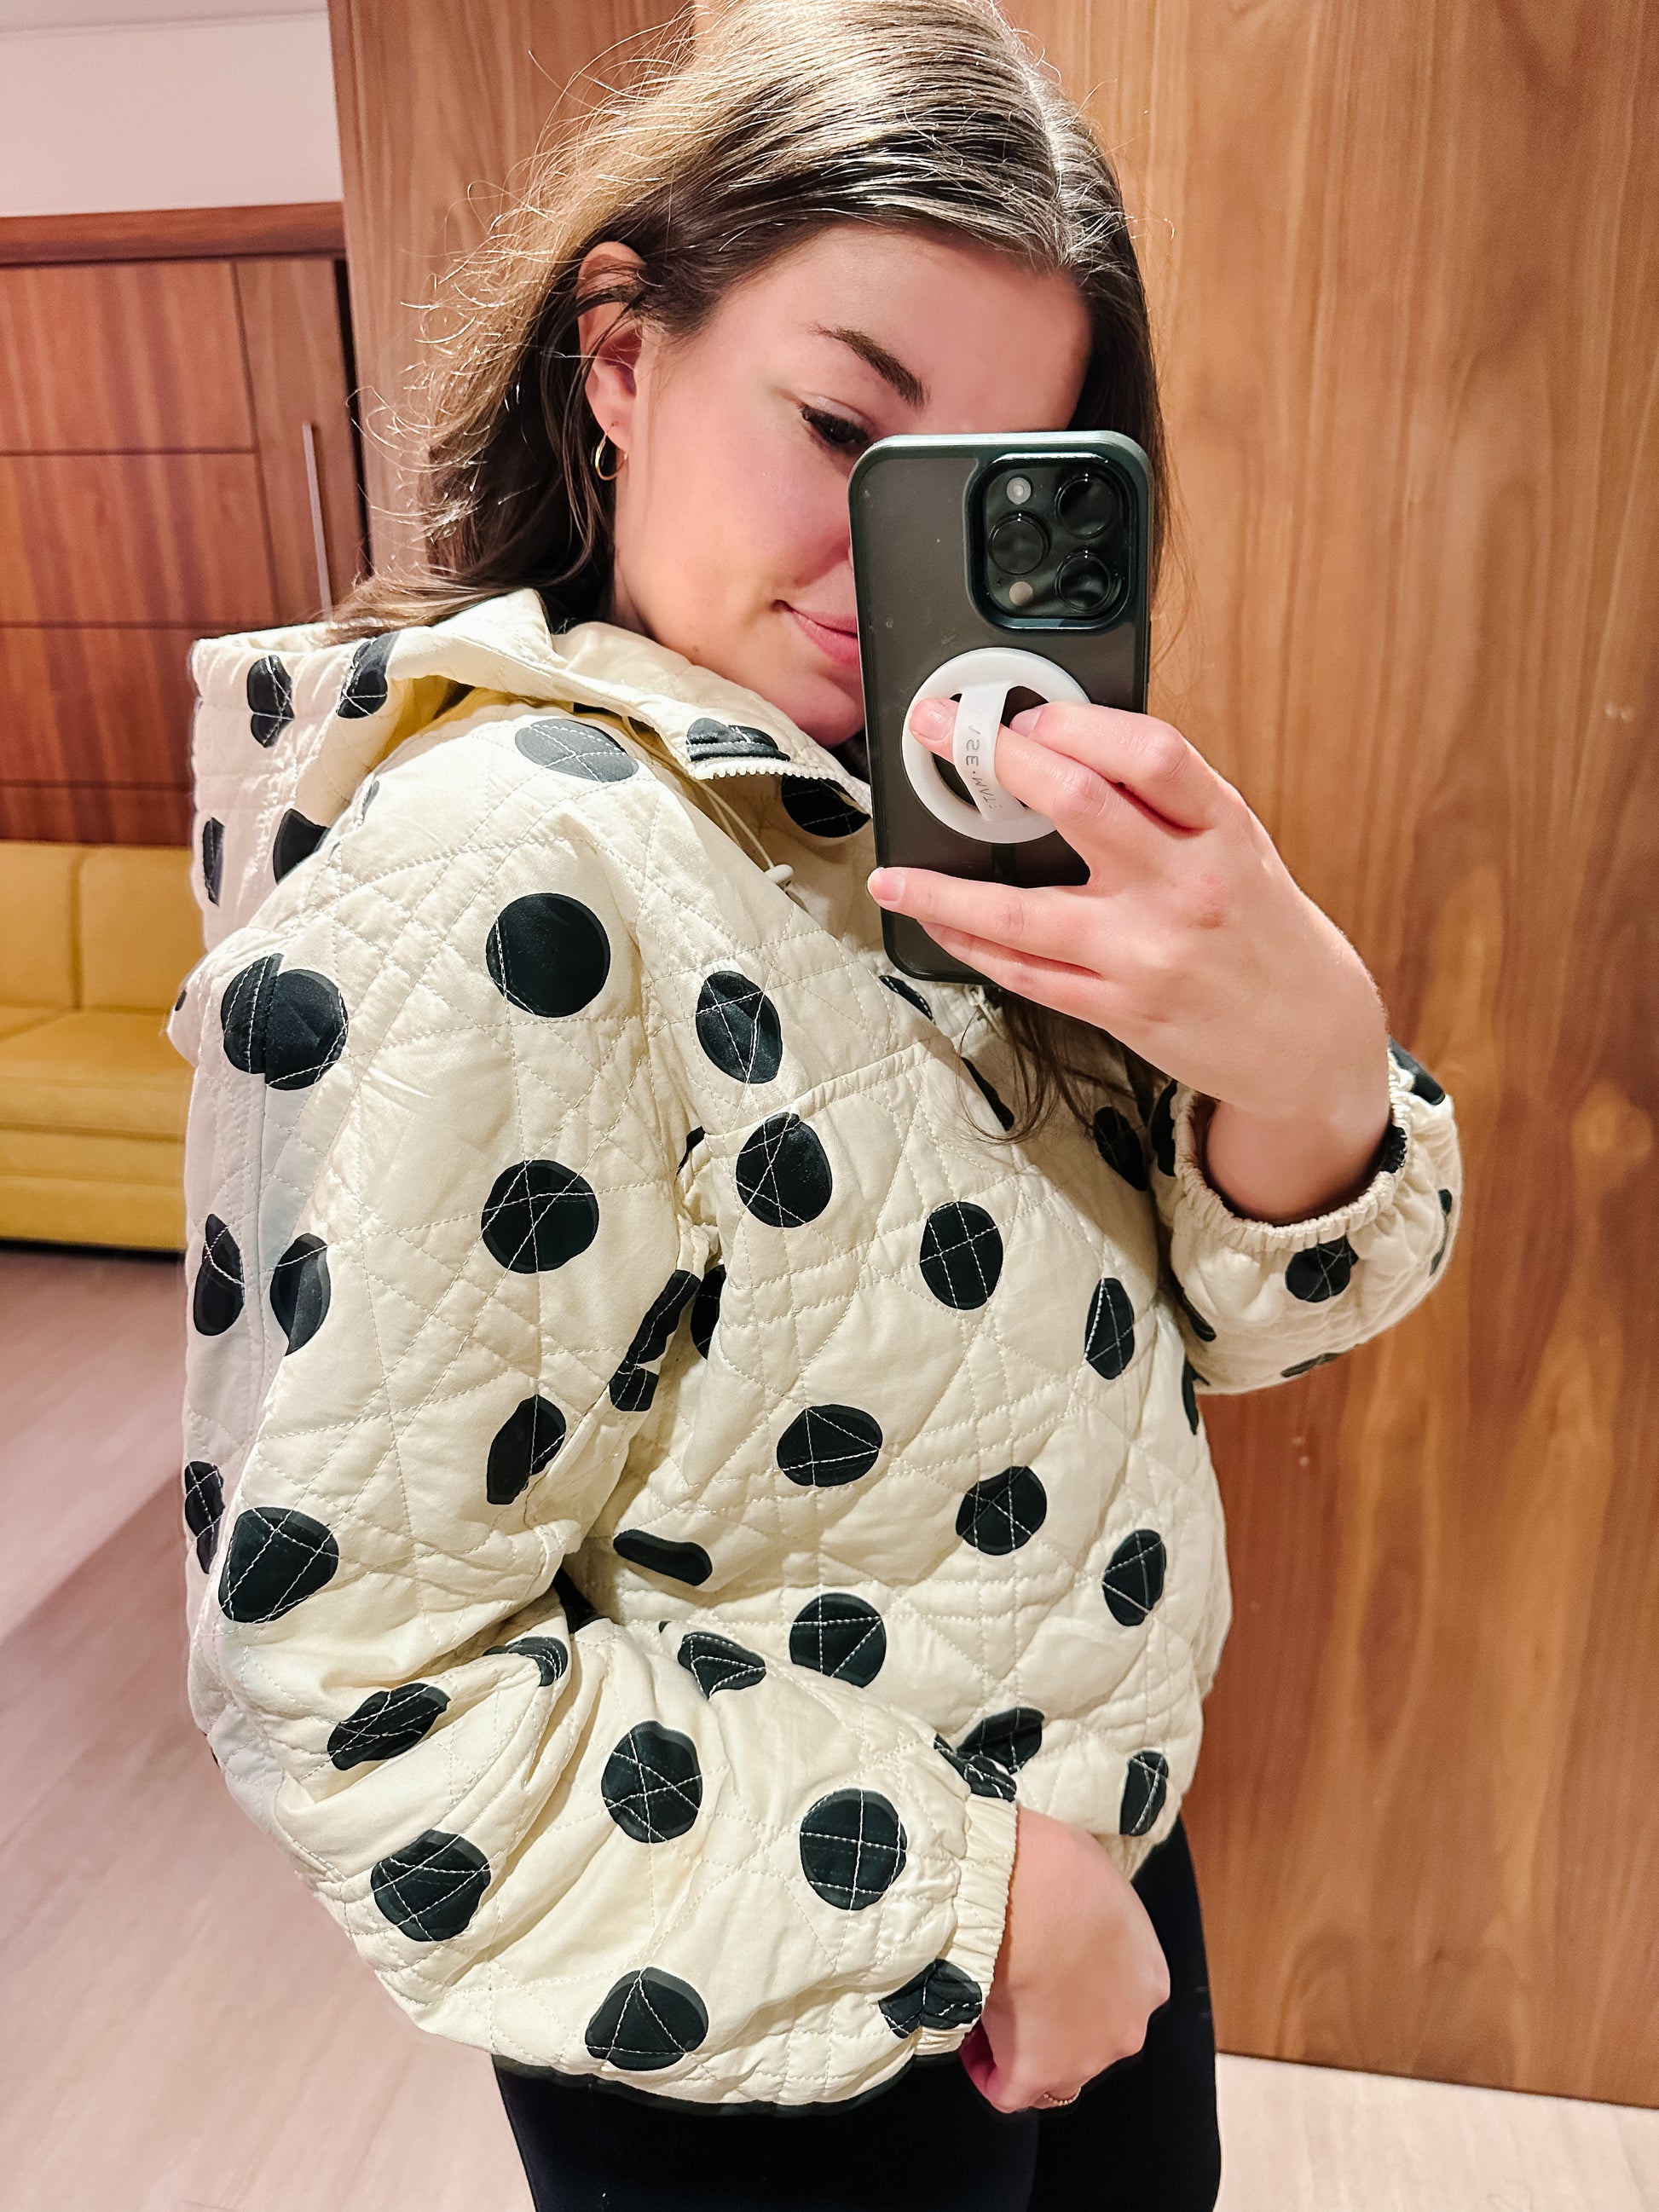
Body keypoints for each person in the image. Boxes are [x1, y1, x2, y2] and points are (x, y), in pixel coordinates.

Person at [167, 3, 1463, 2208]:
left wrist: (1311, 1071)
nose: (892, 571)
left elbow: (1224, 1333)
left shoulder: (926, 819)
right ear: (619, 355)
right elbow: (354, 1690)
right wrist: (970, 1903)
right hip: (762, 1972)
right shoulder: (511, 872)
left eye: (991, 495)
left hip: (1076, 1851)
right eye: (843, 427)